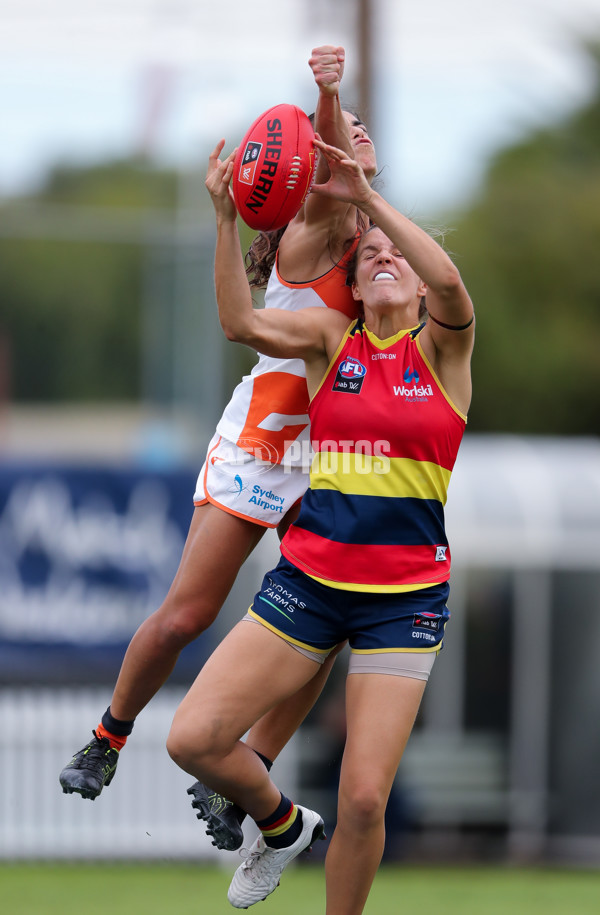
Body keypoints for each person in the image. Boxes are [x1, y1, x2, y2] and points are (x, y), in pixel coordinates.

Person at [58, 45, 378, 853]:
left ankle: (245, 769)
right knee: (187, 614)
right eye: (349, 132)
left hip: (330, 451)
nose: (360, 135)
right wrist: (327, 94)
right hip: (266, 437)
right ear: (319, 161)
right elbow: (324, 152)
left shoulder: (375, 230)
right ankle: (109, 735)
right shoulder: (320, 223)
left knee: (324, 626)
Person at [166, 137, 475, 913]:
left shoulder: (442, 349)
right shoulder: (331, 343)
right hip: (309, 585)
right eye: (365, 253)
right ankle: (281, 825)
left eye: (390, 252)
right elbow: (239, 320)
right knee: (191, 740)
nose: (379, 257)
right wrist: (223, 218)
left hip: (403, 601)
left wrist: (368, 200)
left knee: (366, 797)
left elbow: (449, 279)